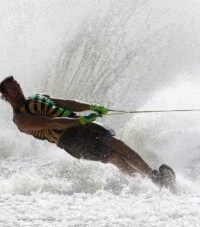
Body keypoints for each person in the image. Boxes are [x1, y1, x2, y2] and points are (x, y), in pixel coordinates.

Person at [0, 76, 176, 191]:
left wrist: (91, 107)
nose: (18, 90)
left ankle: (154, 177)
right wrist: (80, 121)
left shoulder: (38, 97)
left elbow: (67, 103)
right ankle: (146, 184)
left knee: (118, 143)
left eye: (17, 86)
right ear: (5, 96)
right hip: (69, 139)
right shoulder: (21, 119)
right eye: (12, 89)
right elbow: (52, 123)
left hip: (82, 125)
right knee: (115, 157)